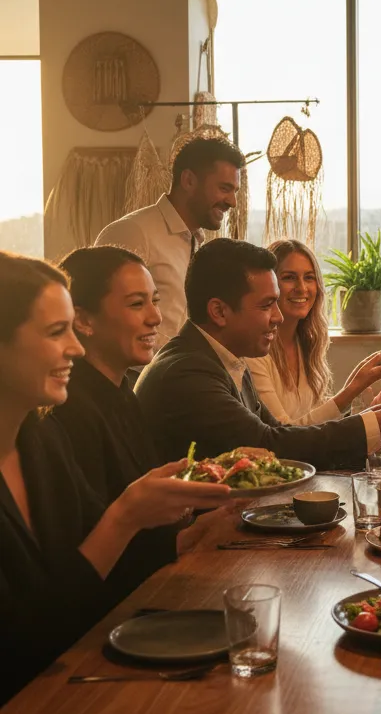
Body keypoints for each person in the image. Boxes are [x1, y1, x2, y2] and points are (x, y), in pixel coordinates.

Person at [0, 252, 233, 704]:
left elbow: (90, 580)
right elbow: (24, 641)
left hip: (64, 687)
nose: (75, 348)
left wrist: (191, 516)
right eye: (55, 332)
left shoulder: (38, 439)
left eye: (71, 328)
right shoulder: (65, 422)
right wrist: (124, 516)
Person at [135, 238, 381, 467]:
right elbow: (270, 447)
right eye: (266, 304)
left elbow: (278, 432)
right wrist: (376, 425)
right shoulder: (189, 373)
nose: (278, 316)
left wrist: (372, 418)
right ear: (219, 311)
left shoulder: (222, 357)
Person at [51, 245, 240, 575]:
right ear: (82, 319)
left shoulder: (122, 391)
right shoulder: (68, 410)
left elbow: (153, 524)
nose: (156, 317)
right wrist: (190, 534)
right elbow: (94, 555)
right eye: (137, 304)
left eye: (155, 301)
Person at [96, 136, 245, 347]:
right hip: (139, 378)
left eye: (234, 191)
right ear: (189, 181)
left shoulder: (198, 243)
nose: (232, 202)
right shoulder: (132, 232)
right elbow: (102, 317)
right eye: (224, 188)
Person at [245, 238, 381, 425]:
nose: (302, 288)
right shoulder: (254, 352)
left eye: (309, 278)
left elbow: (316, 426)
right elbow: (284, 434)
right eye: (289, 277)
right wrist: (352, 390)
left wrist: (367, 414)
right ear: (270, 284)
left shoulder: (306, 343)